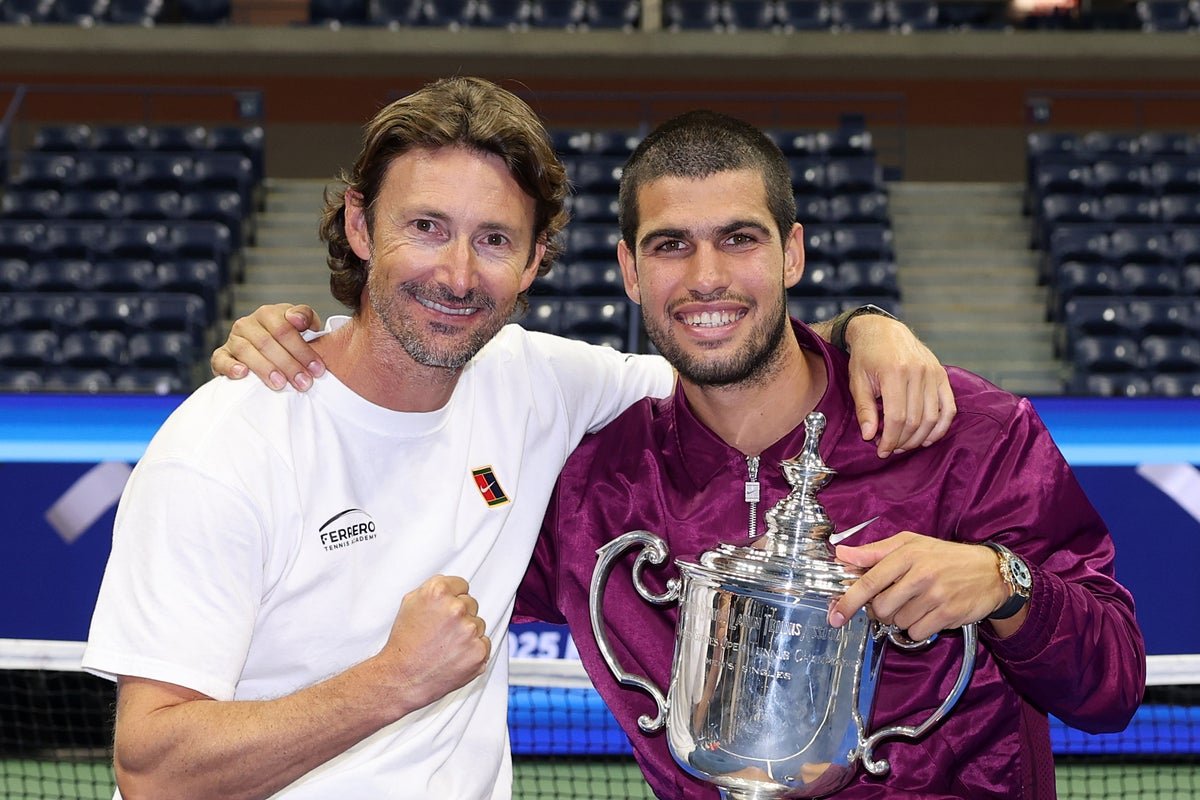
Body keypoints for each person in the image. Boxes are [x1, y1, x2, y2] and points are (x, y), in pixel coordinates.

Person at [85, 77, 951, 800]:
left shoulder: (534, 381)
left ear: (536, 261)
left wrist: (864, 328)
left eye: (494, 239)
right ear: (360, 226)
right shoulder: (227, 442)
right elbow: (151, 768)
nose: (457, 275)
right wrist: (392, 682)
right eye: (426, 226)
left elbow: (727, 352)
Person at [513, 110, 1146, 799]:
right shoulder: (591, 489)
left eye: (739, 239)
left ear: (792, 253)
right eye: (671, 245)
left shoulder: (969, 434)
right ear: (630, 271)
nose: (706, 277)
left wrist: (1004, 585)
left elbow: (1110, 688)